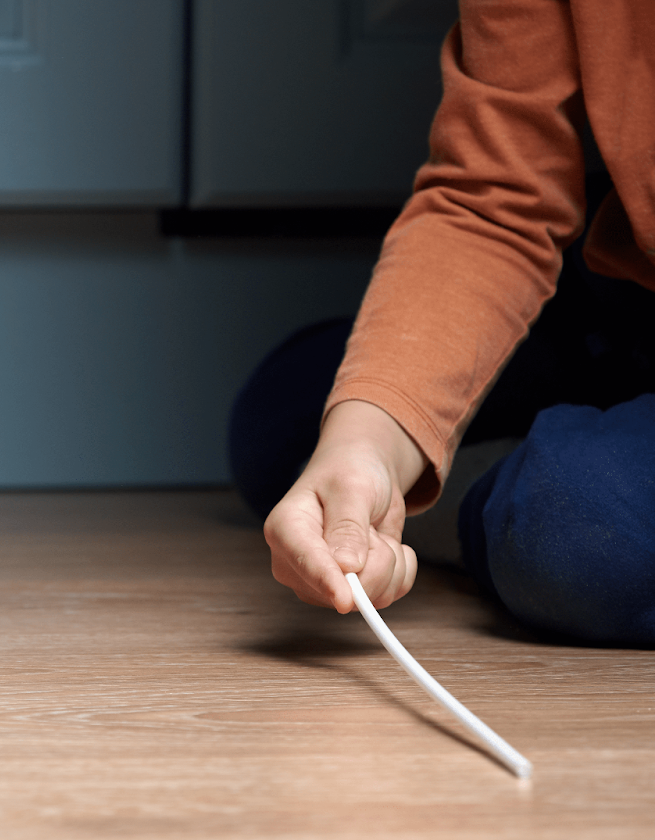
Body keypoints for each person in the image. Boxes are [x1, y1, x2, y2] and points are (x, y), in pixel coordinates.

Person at [230, 0, 655, 647]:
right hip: (630, 289)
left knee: (580, 528)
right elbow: (495, 197)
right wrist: (367, 444)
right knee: (294, 421)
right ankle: (524, 475)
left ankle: (523, 494)